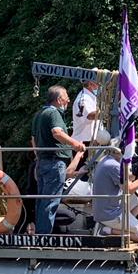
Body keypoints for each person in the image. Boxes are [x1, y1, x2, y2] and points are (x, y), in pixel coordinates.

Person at [31, 86, 86, 235]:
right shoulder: (53, 113)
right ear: (59, 99)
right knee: (51, 201)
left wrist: (38, 157)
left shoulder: (39, 114)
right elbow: (56, 132)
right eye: (66, 97)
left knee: (42, 201)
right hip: (54, 163)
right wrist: (76, 145)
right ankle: (44, 237)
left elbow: (33, 139)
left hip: (42, 162)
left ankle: (40, 234)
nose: (68, 100)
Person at [88, 145, 138, 242]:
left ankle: (125, 224)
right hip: (110, 214)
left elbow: (126, 178)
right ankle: (108, 230)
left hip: (108, 207)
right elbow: (129, 190)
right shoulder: (114, 166)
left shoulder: (106, 160)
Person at [71, 76, 109, 154]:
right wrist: (108, 109)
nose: (100, 85)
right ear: (91, 84)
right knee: (83, 166)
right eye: (98, 83)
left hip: (92, 141)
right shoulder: (83, 99)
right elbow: (90, 115)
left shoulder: (91, 97)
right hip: (83, 142)